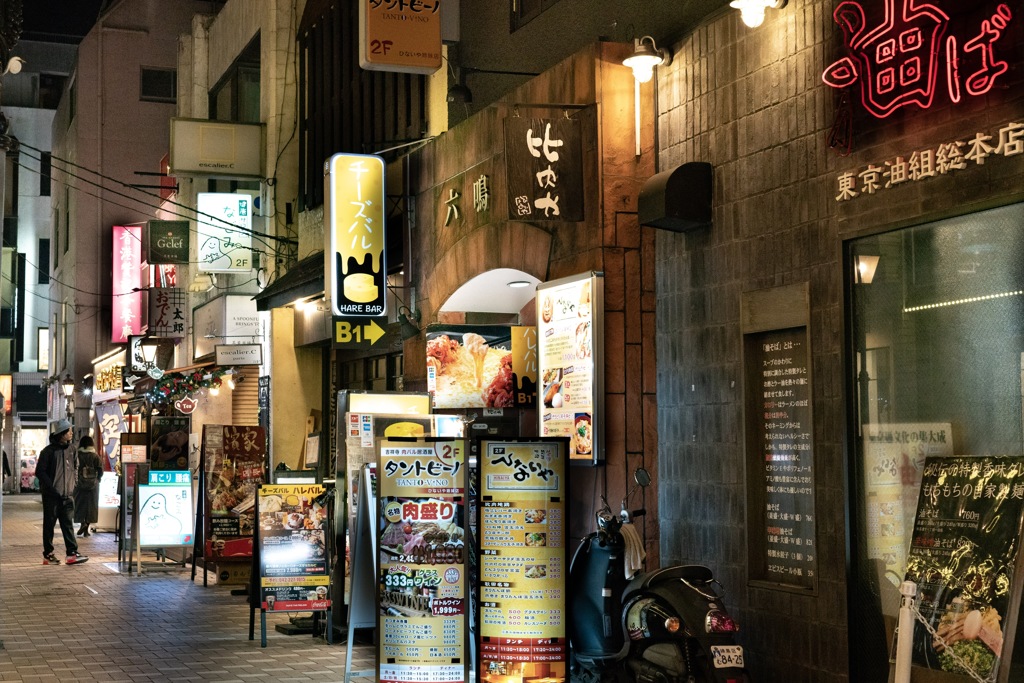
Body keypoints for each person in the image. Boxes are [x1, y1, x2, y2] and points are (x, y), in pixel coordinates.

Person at [36, 419, 88, 565]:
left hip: (68, 494)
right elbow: (40, 471)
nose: (71, 433)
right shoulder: (48, 452)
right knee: (49, 525)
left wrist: (74, 483)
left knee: (67, 524)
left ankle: (72, 553)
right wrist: (51, 488)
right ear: (61, 434)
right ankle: (48, 554)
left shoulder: (72, 449)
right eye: (68, 431)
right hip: (51, 496)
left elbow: (76, 467)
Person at [74, 435, 102, 537]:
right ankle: (87, 528)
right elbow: (100, 470)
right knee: (91, 505)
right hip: (93, 485)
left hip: (79, 484)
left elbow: (73, 468)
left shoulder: (77, 455)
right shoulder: (95, 456)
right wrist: (97, 480)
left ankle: (83, 523)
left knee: (80, 504)